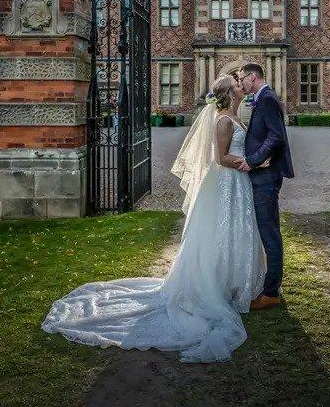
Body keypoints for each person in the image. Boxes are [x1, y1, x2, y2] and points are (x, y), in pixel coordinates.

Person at [41, 74, 265, 363]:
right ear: (228, 93)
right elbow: (221, 158)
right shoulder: (222, 120)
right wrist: (249, 162)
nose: (240, 85)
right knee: (218, 233)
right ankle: (216, 285)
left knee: (232, 230)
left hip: (235, 183)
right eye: (236, 83)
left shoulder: (234, 115)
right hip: (227, 180)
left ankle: (230, 282)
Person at [237, 62, 294, 310]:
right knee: (267, 231)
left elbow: (276, 136)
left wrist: (253, 160)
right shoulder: (262, 97)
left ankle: (271, 292)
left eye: (242, 79)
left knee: (269, 232)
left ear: (253, 77)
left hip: (266, 176)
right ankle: (271, 286)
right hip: (264, 174)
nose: (241, 83)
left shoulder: (268, 98)